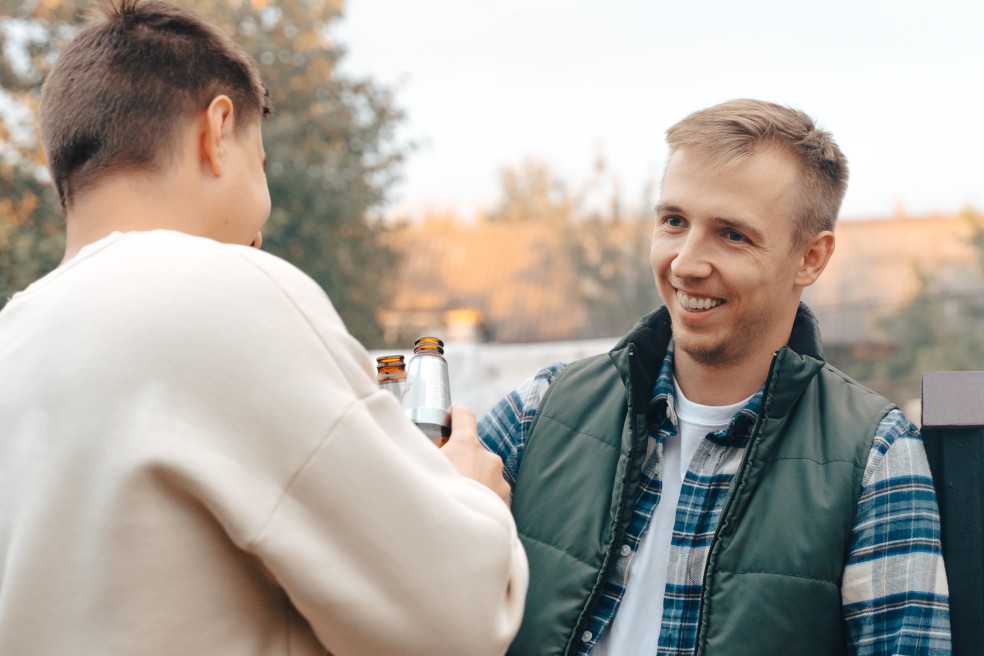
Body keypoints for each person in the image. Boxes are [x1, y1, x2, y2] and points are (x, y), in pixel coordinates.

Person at [0, 1, 527, 654]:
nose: (263, 216)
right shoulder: (229, 292)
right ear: (217, 130)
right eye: (263, 163)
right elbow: (453, 618)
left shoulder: (13, 340)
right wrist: (468, 497)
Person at [479, 99, 950, 655]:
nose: (685, 263)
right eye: (674, 221)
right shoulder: (539, 413)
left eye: (732, 235)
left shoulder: (877, 456)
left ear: (811, 258)